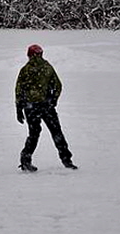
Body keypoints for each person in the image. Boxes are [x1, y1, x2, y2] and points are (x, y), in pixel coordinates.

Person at [15, 44, 77, 172]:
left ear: (29, 55)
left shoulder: (25, 70)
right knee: (56, 132)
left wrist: (19, 108)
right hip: (46, 106)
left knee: (34, 134)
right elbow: (58, 85)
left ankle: (25, 159)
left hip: (30, 107)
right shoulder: (47, 68)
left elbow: (19, 90)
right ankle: (67, 160)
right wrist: (53, 100)